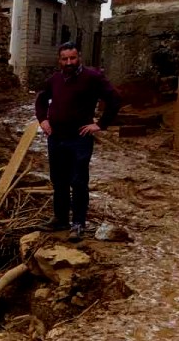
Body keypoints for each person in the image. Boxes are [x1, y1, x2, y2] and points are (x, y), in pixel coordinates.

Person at [35, 42, 121, 242]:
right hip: (56, 138)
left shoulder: (92, 78)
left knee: (78, 181)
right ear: (59, 60)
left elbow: (114, 99)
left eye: (72, 58)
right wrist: (43, 119)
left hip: (79, 139)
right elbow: (41, 99)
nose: (69, 62)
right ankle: (60, 219)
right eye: (64, 59)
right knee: (59, 180)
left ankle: (78, 224)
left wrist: (100, 124)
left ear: (79, 57)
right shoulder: (55, 79)